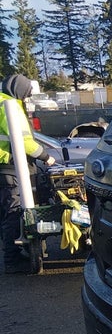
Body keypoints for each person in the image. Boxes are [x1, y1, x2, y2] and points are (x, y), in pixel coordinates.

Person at [0, 74, 56, 274]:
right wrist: (45, 156)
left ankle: (13, 253)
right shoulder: (11, 107)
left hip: (4, 166)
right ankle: (12, 261)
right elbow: (24, 141)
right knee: (14, 213)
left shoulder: (1, 102)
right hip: (12, 167)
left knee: (6, 212)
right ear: (20, 90)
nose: (26, 98)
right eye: (27, 94)